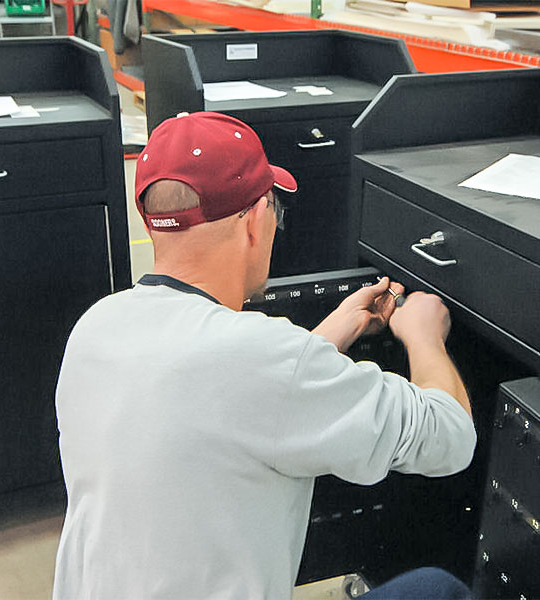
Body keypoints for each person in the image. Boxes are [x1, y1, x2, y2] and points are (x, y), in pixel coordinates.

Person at [52, 111, 476, 600]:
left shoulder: (96, 327)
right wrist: (423, 334)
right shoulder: (267, 361)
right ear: (255, 220)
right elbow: (451, 437)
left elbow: (217, 399)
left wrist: (329, 334)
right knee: (437, 590)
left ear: (150, 220)